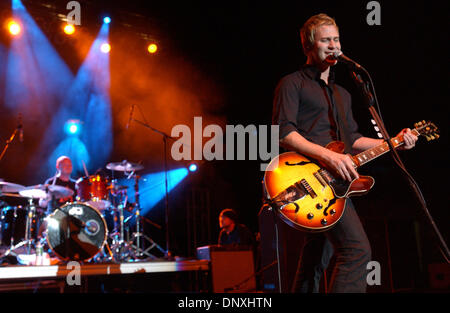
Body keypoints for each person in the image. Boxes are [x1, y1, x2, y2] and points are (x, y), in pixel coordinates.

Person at [271, 13, 418, 293]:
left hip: (335, 185)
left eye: (336, 39)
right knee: (357, 250)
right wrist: (328, 156)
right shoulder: (291, 83)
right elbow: (283, 133)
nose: (333, 45)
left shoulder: (343, 94)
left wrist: (393, 141)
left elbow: (353, 140)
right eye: (325, 40)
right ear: (308, 46)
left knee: (316, 258)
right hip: (310, 176)